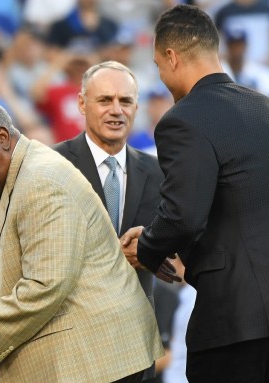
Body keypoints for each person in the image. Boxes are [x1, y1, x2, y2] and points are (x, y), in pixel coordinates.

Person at [125, 5, 269, 382]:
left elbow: (183, 216)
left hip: (240, 323)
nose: (161, 74)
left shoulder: (182, 118)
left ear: (172, 57)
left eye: (157, 65)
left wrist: (148, 248)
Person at [0, 99, 163, 383]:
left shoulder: (42, 180)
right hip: (75, 358)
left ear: (2, 137)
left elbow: (45, 284)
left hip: (97, 359)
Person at [53, 60, 179, 381]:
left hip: (134, 349)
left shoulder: (159, 172)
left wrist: (155, 248)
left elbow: (175, 242)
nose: (116, 110)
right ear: (82, 103)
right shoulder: (52, 165)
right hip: (70, 345)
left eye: (125, 101)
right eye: (104, 100)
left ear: (137, 107)